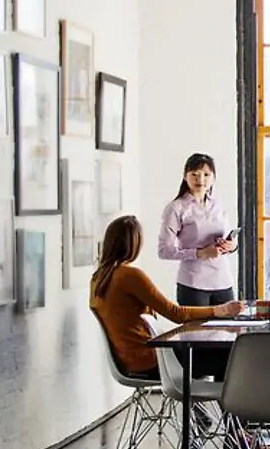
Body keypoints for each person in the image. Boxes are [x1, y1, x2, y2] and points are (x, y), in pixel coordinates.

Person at [91, 215, 243, 381]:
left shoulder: (98, 279)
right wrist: (221, 310)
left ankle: (216, 397)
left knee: (219, 354)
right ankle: (226, 398)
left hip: (131, 361)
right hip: (151, 360)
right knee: (231, 356)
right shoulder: (129, 276)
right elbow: (176, 314)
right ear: (136, 244)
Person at [159, 153, 239, 307]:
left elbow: (229, 239)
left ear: (214, 177)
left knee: (229, 323)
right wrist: (199, 253)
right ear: (185, 176)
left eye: (206, 174)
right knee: (197, 324)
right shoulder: (176, 208)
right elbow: (164, 251)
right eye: (194, 174)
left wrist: (231, 246)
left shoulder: (218, 204)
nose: (200, 179)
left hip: (223, 282)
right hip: (193, 284)